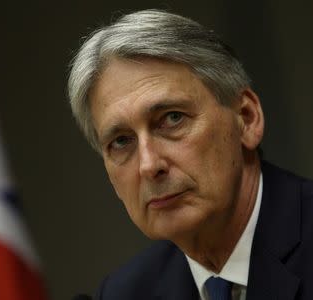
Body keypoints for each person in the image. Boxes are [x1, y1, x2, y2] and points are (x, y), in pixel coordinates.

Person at [67, 9, 313, 300]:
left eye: (172, 119)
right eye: (121, 141)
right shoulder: (125, 294)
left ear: (246, 118)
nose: (149, 165)